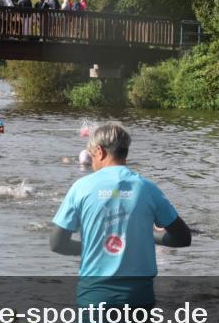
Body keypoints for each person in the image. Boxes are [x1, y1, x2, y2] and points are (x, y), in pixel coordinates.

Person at [50, 122, 192, 307]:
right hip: (139, 296)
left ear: (99, 152)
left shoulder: (81, 187)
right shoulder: (147, 188)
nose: (92, 163)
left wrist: (95, 248)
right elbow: (183, 238)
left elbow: (57, 244)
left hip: (95, 295)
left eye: (92, 157)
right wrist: (148, 236)